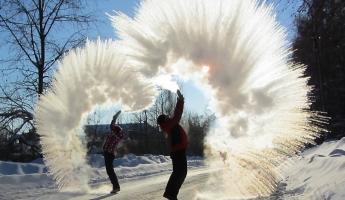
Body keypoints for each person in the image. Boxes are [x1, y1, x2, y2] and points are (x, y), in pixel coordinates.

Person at [157, 90, 188, 200]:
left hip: (177, 151)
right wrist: (180, 100)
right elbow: (178, 113)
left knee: (179, 173)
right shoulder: (170, 124)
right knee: (180, 173)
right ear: (164, 120)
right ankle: (171, 194)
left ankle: (171, 194)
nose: (167, 117)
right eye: (166, 117)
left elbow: (176, 115)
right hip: (178, 151)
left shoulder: (168, 125)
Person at [103, 110, 124, 194]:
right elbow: (112, 124)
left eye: (113, 129)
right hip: (108, 153)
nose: (112, 129)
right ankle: (116, 186)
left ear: (116, 130)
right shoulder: (116, 133)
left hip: (109, 153)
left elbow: (112, 125)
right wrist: (115, 117)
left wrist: (115, 117)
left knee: (110, 170)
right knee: (109, 170)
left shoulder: (117, 135)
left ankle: (116, 187)